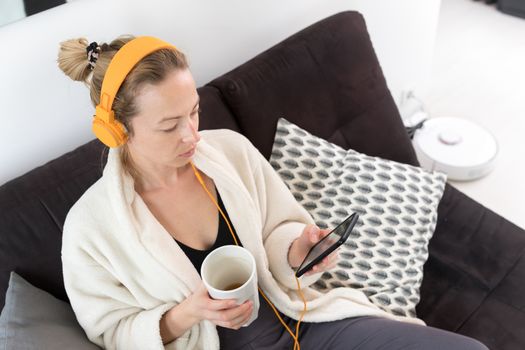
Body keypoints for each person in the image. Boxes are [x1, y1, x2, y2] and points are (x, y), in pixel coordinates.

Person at [57, 35, 488, 350]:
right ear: (115, 130)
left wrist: (297, 250)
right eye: (170, 126)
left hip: (302, 320)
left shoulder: (228, 151)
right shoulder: (91, 229)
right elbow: (112, 331)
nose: (192, 135)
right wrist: (189, 314)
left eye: (194, 112)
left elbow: (279, 227)